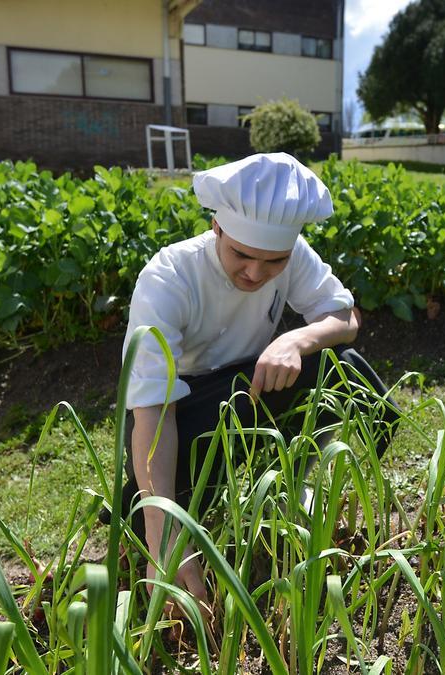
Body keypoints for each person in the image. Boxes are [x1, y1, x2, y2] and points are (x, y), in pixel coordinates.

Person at [111, 153, 399, 613]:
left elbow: (344, 317)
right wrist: (162, 531)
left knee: (341, 367)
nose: (255, 273)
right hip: (183, 409)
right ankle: (146, 514)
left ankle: (294, 489)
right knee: (148, 519)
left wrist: (296, 339)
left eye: (273, 262)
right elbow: (153, 406)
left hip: (250, 385)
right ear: (217, 228)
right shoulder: (169, 276)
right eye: (241, 255)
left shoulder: (294, 257)